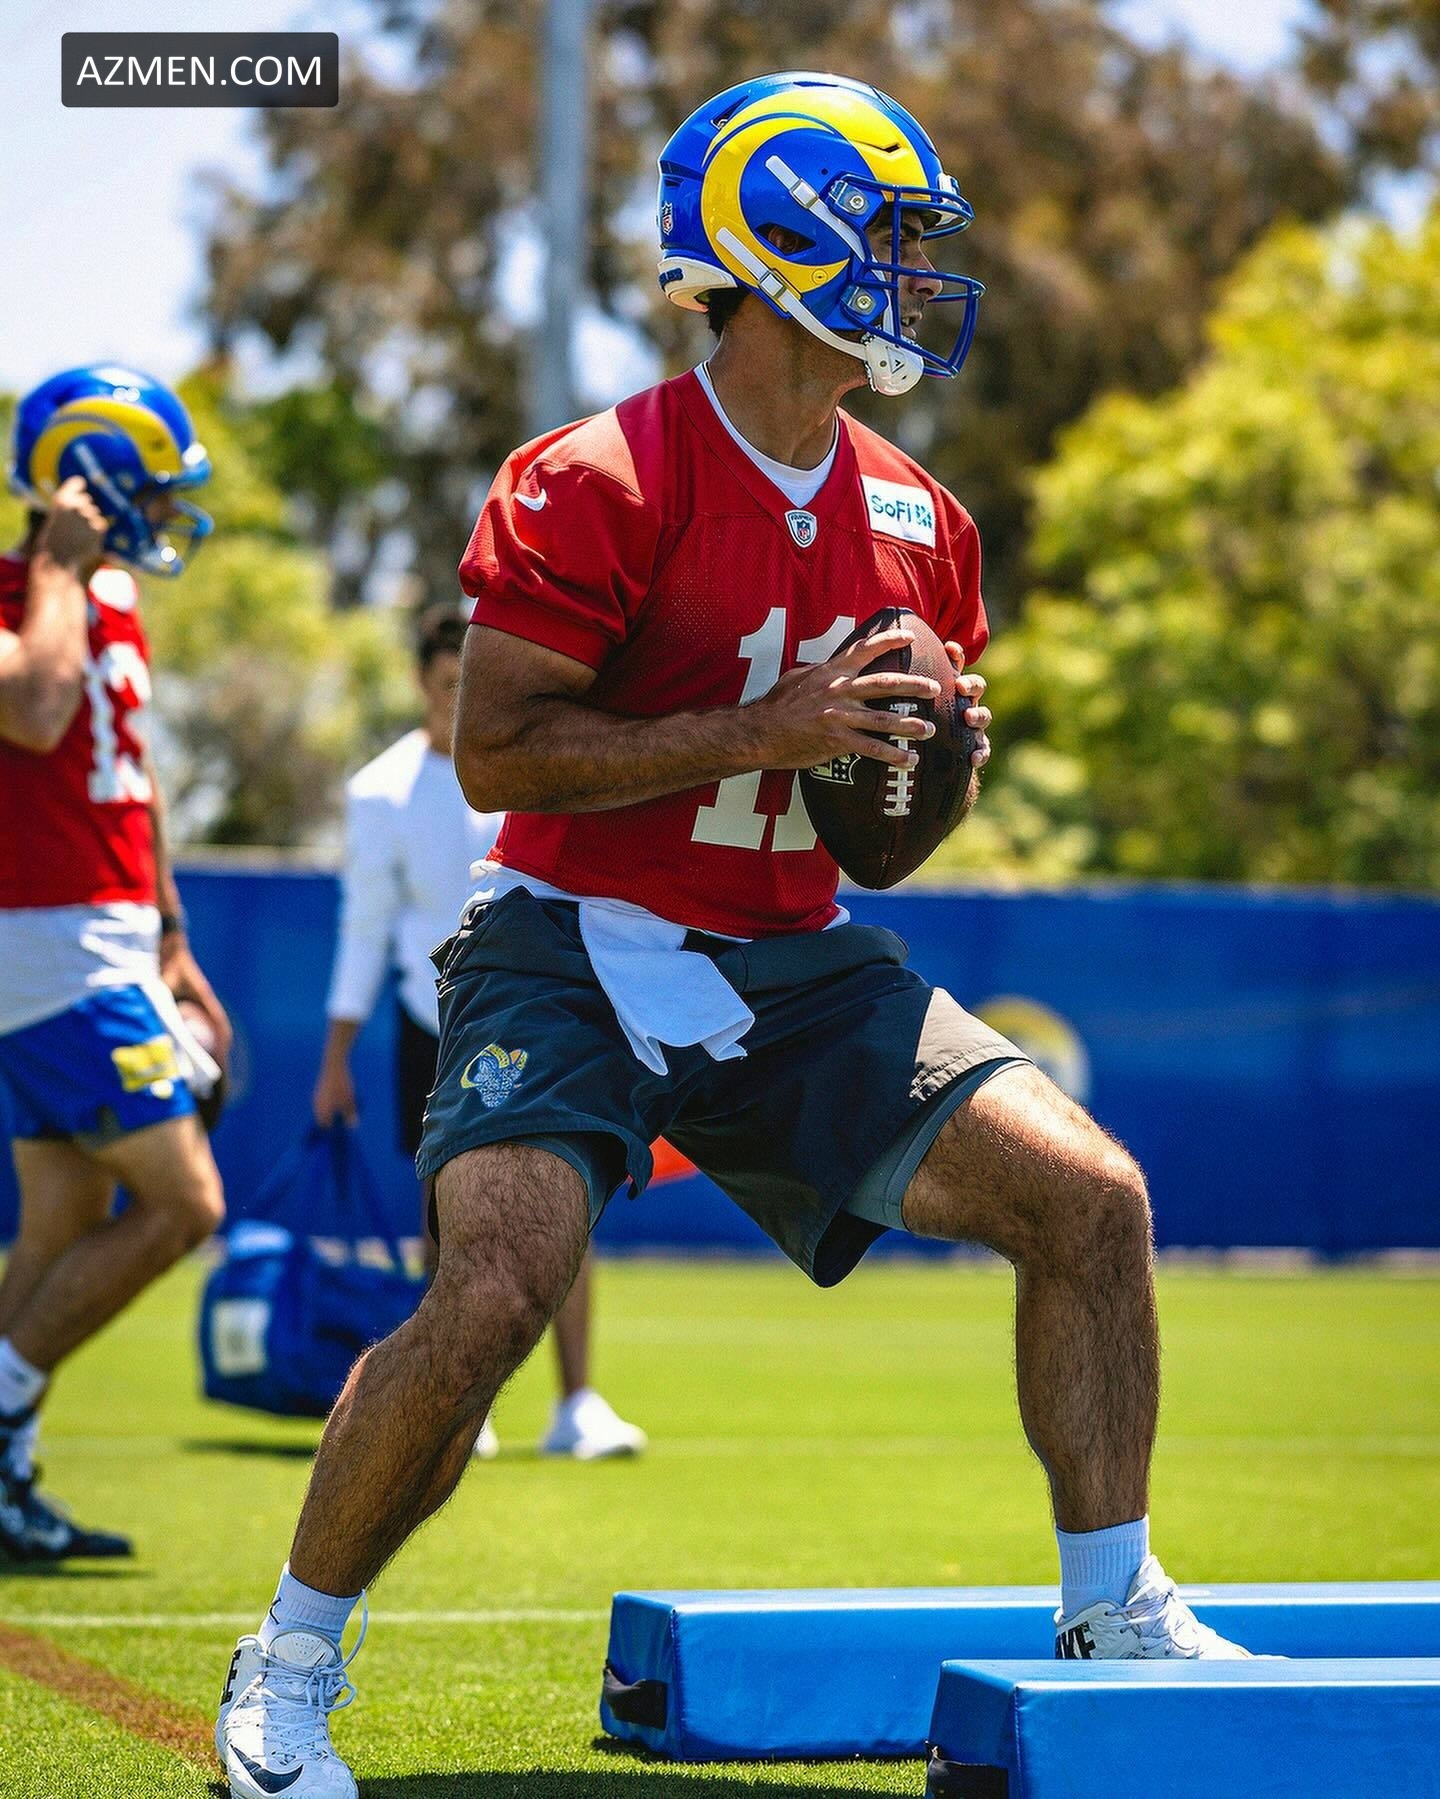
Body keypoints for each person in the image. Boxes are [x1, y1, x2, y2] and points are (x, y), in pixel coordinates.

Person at [217, 72, 1251, 1799]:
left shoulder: (923, 520)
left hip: (797, 951)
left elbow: (885, 853)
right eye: (888, 236)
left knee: (1092, 1198)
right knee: (495, 1285)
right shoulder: (596, 475)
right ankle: (290, 1660)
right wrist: (761, 729)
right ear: (781, 243)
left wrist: (932, 769)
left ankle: (1114, 1609)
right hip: (566, 934)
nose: (914, 274)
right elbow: (497, 755)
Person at [311, 602, 645, 1461]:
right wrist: (336, 1056)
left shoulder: (539, 761)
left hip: (550, 1006)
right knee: (446, 1216)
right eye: (447, 682)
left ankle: (577, 1402)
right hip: (435, 1021)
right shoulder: (380, 791)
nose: (462, 698)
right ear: (421, 681)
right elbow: (364, 927)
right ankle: (463, 1402)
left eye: (474, 682)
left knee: (570, 1195)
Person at [0, 365, 229, 1561]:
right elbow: (36, 708)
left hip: (106, 935)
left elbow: (132, 782)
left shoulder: (114, 594)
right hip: (47, 944)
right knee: (186, 1202)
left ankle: (5, 1477)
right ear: (87, 483)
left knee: (64, 1217)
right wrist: (54, 566)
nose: (166, 513)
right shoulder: (33, 588)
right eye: (150, 489)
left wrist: (173, 937)